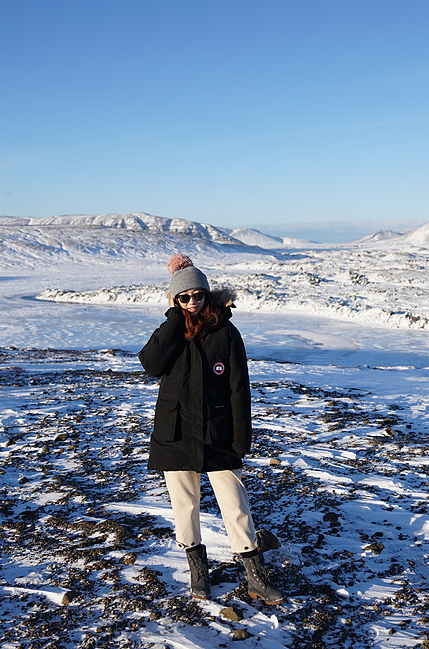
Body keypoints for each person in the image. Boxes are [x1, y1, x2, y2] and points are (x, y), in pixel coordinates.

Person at [138, 254, 283, 604]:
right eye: (183, 298)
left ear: (207, 293)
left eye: (197, 295)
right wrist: (175, 319)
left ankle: (254, 575)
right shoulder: (171, 331)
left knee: (235, 503)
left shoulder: (225, 331)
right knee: (184, 505)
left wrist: (240, 438)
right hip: (175, 433)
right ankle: (197, 571)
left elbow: (239, 388)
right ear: (175, 300)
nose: (192, 303)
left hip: (217, 433)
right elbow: (150, 364)